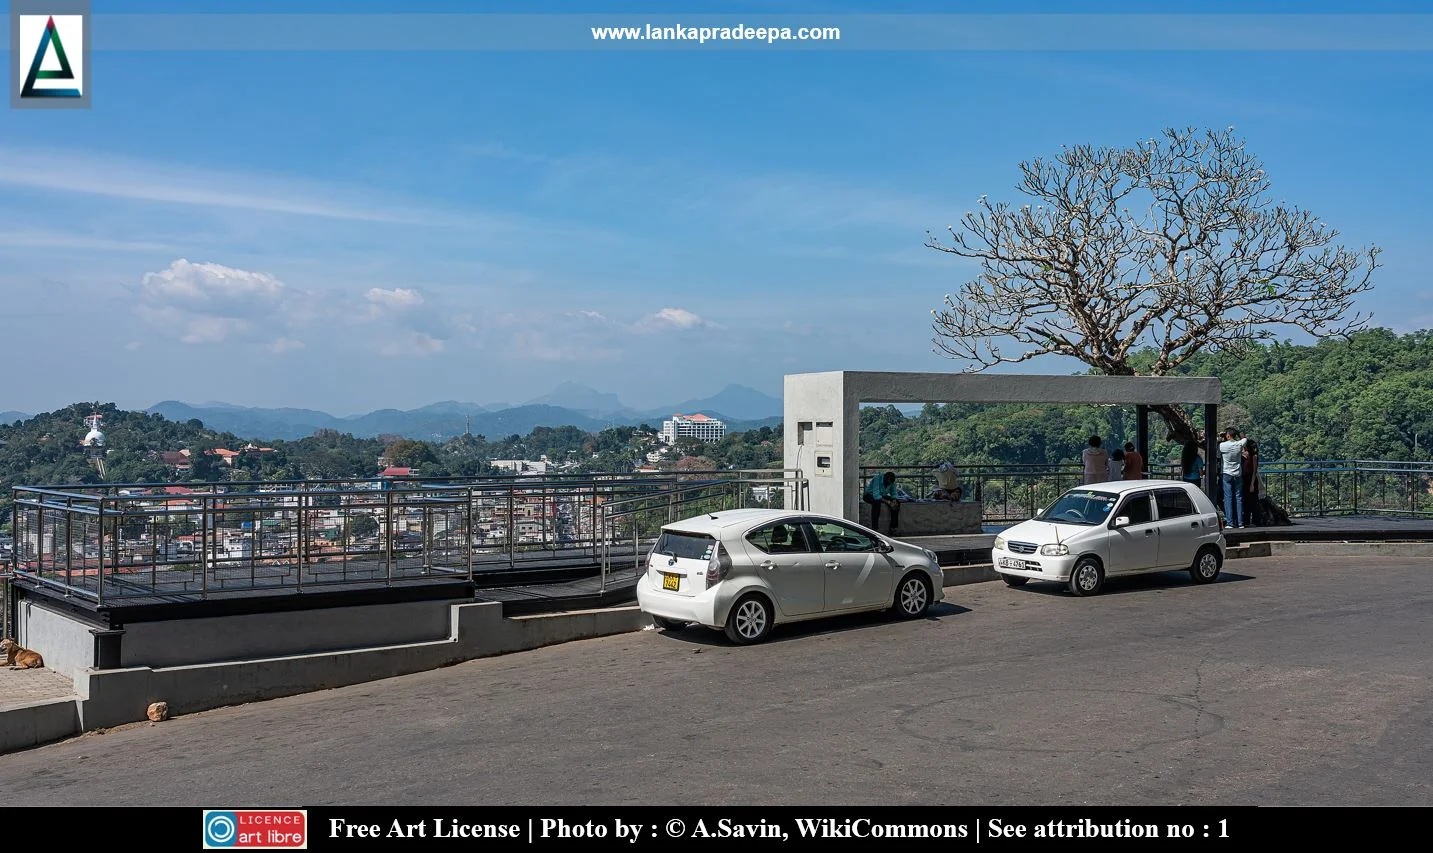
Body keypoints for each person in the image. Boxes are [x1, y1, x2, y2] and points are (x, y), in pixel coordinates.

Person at [1219, 428, 1249, 528]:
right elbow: (1244, 439)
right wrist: (1240, 434)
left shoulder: (1222, 446)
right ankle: (1240, 523)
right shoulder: (1239, 444)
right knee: (1239, 498)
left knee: (1228, 498)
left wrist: (1223, 437)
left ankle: (1230, 523)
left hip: (1227, 474)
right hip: (1238, 474)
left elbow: (1219, 445)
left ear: (1227, 435)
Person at [1241, 439, 1265, 527]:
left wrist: (1252, 484)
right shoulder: (1246, 456)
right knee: (1246, 501)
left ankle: (1256, 520)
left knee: (1253, 501)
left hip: (1251, 479)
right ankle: (1246, 520)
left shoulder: (1254, 457)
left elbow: (1254, 471)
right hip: (1246, 478)